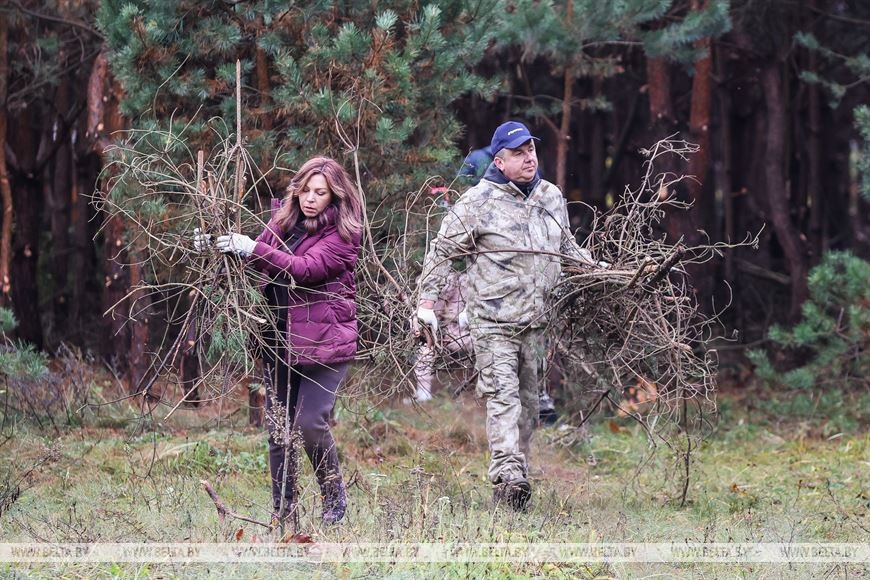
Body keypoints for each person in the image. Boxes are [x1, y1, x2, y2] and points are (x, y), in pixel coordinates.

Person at [416, 121, 601, 511]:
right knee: (503, 398)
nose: (529, 157)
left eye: (531, 150)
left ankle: (519, 471)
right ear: (499, 161)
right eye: (518, 153)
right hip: (492, 323)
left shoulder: (550, 197)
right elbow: (443, 252)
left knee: (530, 407)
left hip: (536, 323)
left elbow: (566, 250)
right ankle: (508, 479)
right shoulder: (478, 202)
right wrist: (427, 304)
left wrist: (604, 274)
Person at [210, 157, 363, 525]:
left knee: (310, 422)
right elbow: (254, 260)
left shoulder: (344, 234)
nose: (311, 198)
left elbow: (305, 269)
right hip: (279, 340)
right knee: (279, 430)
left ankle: (333, 497)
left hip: (324, 343)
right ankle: (283, 511)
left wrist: (252, 248)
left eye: (320, 193)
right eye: (306, 190)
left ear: (335, 196)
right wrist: (221, 247)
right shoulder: (282, 222)